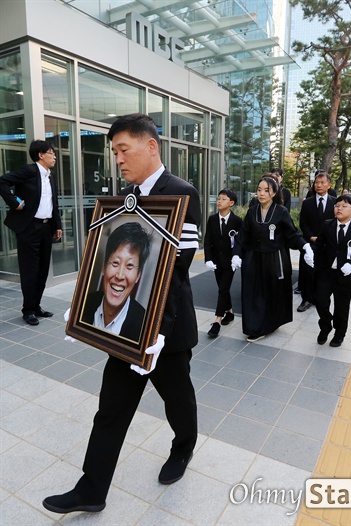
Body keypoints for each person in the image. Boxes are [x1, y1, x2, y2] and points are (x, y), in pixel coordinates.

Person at [43, 113, 201, 514]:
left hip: (167, 328)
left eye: (122, 149)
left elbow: (175, 266)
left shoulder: (181, 192)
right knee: (110, 409)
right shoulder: (124, 198)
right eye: (114, 152)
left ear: (151, 146)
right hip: (127, 331)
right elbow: (108, 260)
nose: (117, 159)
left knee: (177, 400)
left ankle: (183, 448)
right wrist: (86, 308)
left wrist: (155, 331)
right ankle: (92, 490)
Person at [231, 176, 313, 343]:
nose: (261, 193)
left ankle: (269, 324)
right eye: (259, 190)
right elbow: (243, 235)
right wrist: (236, 254)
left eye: (266, 190)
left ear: (274, 193)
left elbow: (292, 234)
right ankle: (254, 327)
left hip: (274, 259)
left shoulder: (281, 211)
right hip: (253, 258)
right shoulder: (252, 211)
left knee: (271, 293)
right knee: (253, 293)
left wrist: (305, 247)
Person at [0, 140, 62, 326]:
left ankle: (36, 306)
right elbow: (2, 181)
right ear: (41, 155)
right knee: (30, 271)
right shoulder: (29, 171)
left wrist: (57, 225)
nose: (55, 156)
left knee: (43, 269)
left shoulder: (50, 176)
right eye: (51, 153)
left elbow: (53, 203)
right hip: (29, 228)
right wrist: (14, 202)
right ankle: (28, 310)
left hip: (45, 228)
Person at [313, 195, 351, 347]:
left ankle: (339, 333)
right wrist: (310, 253)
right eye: (337, 205)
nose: (339, 208)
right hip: (325, 272)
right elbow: (319, 245)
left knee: (342, 306)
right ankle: (326, 325)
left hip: (345, 275)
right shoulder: (327, 225)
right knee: (320, 300)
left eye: (344, 206)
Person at [82, 222, 151, 341]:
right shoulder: (85, 303)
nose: (120, 275)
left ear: (138, 276)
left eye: (129, 265)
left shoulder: (144, 324)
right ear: (104, 267)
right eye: (115, 263)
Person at [203, 189, 242, 337]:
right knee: (222, 288)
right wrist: (208, 259)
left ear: (231, 203)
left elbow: (240, 242)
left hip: (230, 262)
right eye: (218, 199)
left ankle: (217, 321)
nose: (219, 201)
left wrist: (237, 256)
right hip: (216, 262)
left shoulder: (237, 221)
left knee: (223, 289)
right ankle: (230, 312)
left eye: (223, 199)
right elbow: (208, 241)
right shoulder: (212, 219)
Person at [297, 171, 336, 312]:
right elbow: (303, 222)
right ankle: (306, 299)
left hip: (328, 244)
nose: (318, 185)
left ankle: (320, 298)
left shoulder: (335, 202)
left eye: (322, 182)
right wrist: (311, 237)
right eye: (316, 182)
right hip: (311, 243)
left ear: (329, 185)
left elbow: (337, 222)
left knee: (324, 273)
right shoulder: (307, 202)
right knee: (308, 272)